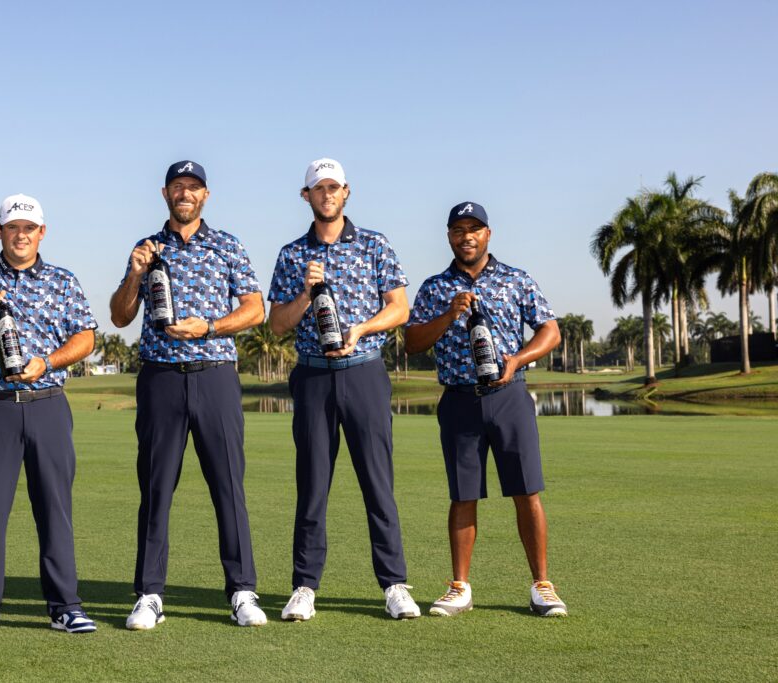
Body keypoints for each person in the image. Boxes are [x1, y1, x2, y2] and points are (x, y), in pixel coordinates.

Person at [109, 160, 268, 629]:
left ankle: (242, 591)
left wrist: (209, 327)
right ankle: (149, 594)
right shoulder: (146, 248)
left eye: (193, 187)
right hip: (160, 378)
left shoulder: (227, 245)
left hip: (215, 375)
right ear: (165, 194)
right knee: (156, 488)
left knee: (228, 486)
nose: (185, 193)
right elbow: (119, 317)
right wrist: (135, 275)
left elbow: (255, 309)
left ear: (205, 195)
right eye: (177, 186)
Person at [0, 194, 98, 642]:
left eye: (29, 228)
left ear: (42, 233)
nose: (21, 235)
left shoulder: (63, 280)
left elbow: (86, 338)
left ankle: (65, 606)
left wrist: (48, 362)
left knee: (55, 509)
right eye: (13, 227)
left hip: (48, 403)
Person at [267, 158, 421, 621]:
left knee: (378, 483)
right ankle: (304, 587)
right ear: (306, 196)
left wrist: (362, 328)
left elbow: (399, 308)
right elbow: (277, 325)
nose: (327, 194)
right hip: (313, 376)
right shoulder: (292, 254)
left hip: (364, 372)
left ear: (346, 192)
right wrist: (304, 294)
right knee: (312, 485)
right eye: (319, 188)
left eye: (334, 187)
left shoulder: (374, 244)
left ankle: (394, 585)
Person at [405, 200, 568, 618]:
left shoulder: (516, 279)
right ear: (449, 236)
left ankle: (542, 585)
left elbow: (551, 331)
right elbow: (413, 342)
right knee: (463, 495)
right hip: (459, 400)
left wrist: (518, 360)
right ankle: (459, 587)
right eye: (459, 230)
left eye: (474, 229)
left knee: (526, 491)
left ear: (488, 234)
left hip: (510, 396)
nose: (467, 237)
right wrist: (449, 314)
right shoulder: (435, 287)